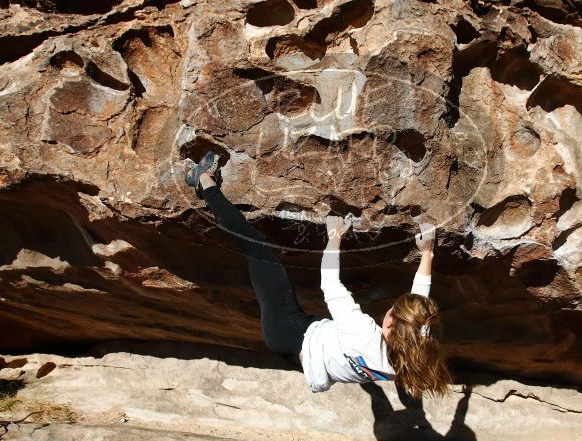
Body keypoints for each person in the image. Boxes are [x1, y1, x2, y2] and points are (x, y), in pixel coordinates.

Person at [185, 151, 452, 398]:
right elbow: (418, 307)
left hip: (287, 330)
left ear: (390, 324)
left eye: (392, 310)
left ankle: (204, 182)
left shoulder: (364, 334)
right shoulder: (410, 355)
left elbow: (330, 283)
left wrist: (334, 237)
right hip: (308, 353)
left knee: (257, 246)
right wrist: (427, 253)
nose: (389, 310)